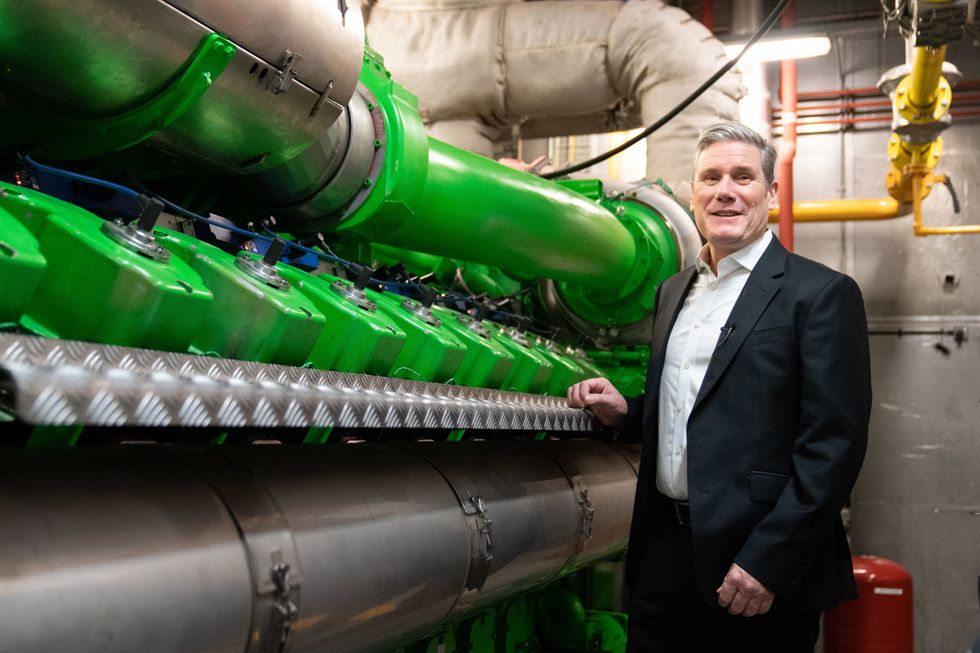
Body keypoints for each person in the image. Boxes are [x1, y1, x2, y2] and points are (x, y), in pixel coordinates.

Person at [567, 121, 871, 652]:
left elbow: (834, 448)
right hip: (665, 556)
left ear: (771, 193)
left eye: (742, 177)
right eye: (710, 177)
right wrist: (631, 413)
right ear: (692, 193)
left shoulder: (820, 294)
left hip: (754, 569)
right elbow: (706, 408)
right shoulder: (674, 290)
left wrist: (767, 562)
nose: (724, 190)